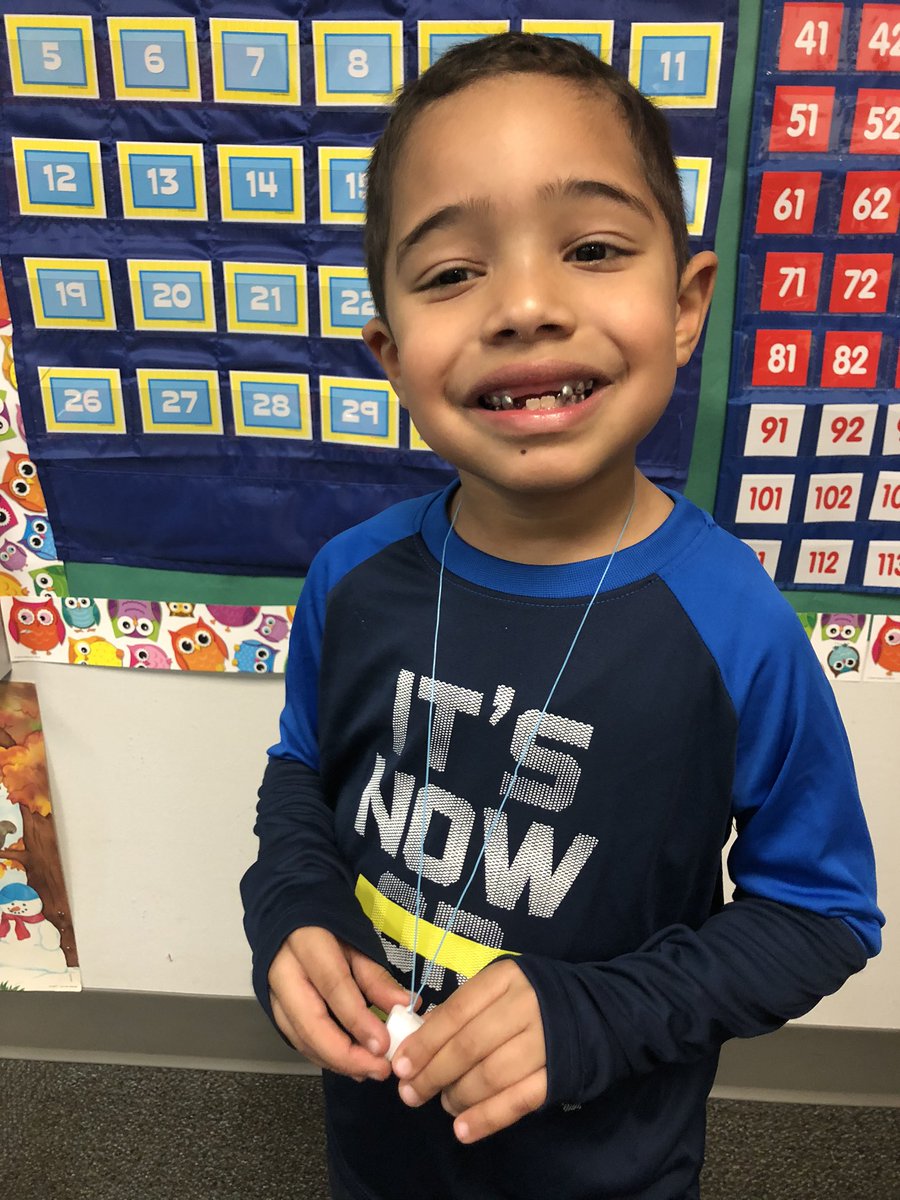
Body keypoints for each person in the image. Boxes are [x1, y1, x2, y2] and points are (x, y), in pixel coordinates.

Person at [241, 33, 882, 1200]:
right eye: (449, 275)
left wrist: (600, 1012)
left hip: (608, 1165)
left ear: (686, 305)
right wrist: (290, 906)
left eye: (592, 250)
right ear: (389, 352)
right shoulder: (352, 576)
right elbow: (301, 777)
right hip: (378, 1144)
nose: (526, 307)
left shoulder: (733, 626)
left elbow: (822, 913)